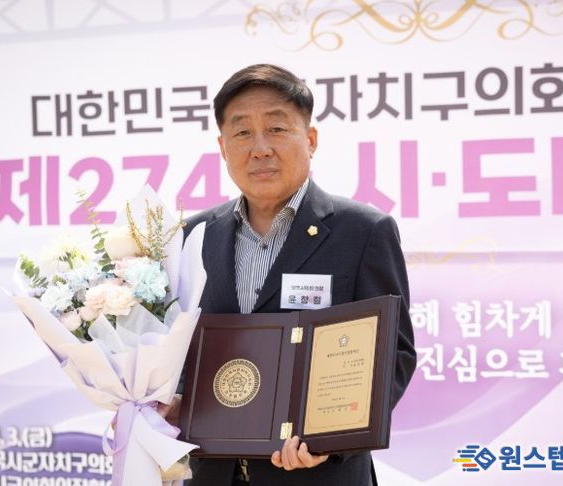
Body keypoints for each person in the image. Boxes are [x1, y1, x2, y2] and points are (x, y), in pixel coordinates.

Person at [166, 64, 416, 486]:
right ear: (223, 147)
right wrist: (170, 405)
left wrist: (332, 440)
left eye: (277, 129)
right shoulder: (193, 235)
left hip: (319, 476)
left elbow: (394, 355)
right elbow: (178, 349)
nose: (260, 148)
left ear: (310, 139)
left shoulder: (363, 231)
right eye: (242, 132)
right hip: (212, 475)